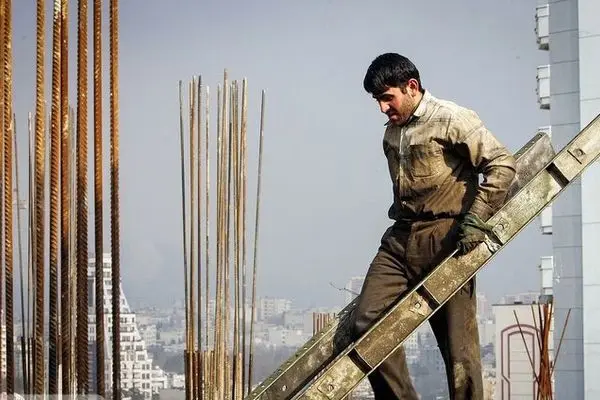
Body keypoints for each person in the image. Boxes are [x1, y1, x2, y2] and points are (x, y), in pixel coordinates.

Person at [353, 53, 516, 399]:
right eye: (377, 100)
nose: (382, 108)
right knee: (366, 322)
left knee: (459, 349)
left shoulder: (451, 118)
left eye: (386, 97)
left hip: (448, 239)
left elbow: (502, 164)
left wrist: (476, 218)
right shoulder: (392, 132)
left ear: (411, 87)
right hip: (401, 239)